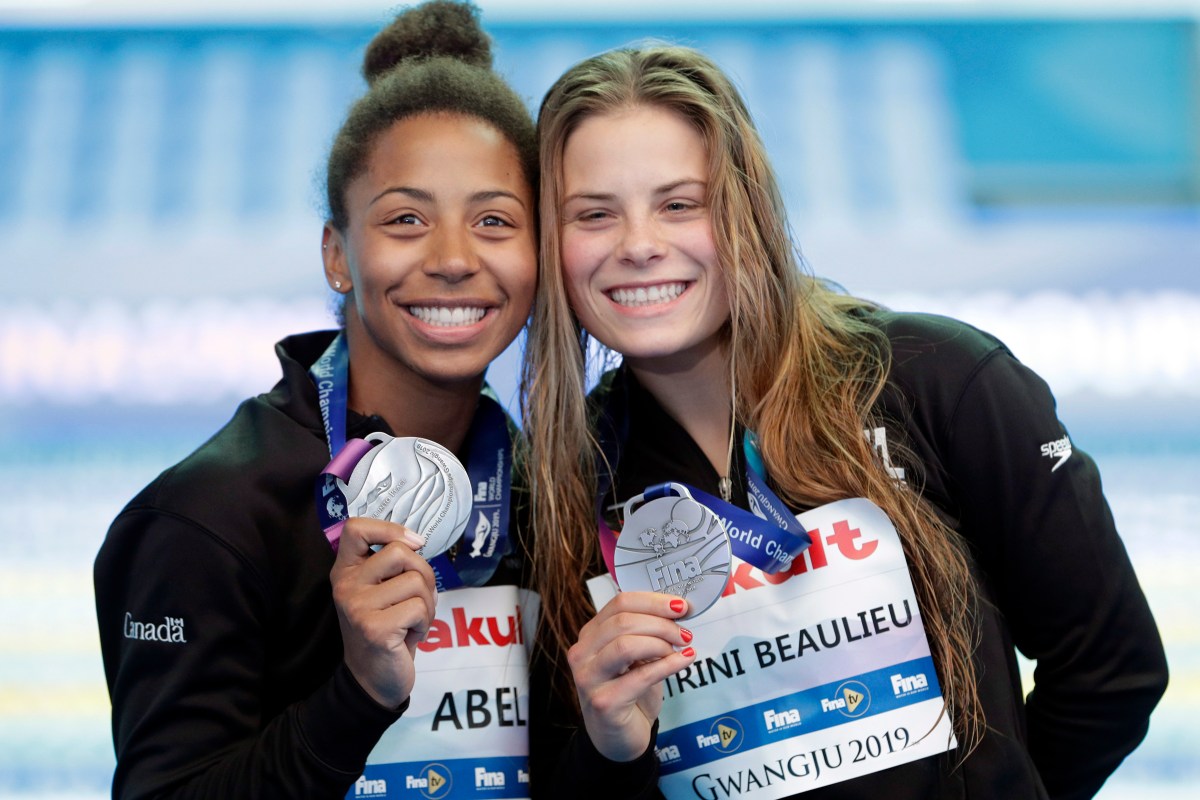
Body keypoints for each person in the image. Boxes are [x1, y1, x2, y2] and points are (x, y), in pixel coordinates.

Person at [521, 43, 1167, 799]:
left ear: (746, 210)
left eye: (679, 204)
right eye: (594, 214)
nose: (638, 246)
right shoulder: (563, 482)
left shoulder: (938, 379)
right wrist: (610, 748)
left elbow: (1111, 673)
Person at [94, 3, 538, 797]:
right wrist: (358, 696)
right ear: (337, 252)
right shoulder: (209, 515)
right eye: (405, 219)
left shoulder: (546, 495)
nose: (452, 259)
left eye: (495, 221)